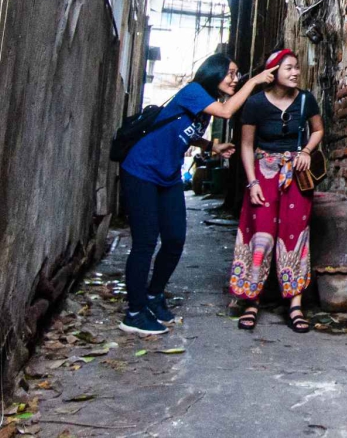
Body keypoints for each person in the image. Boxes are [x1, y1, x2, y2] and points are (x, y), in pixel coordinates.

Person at [118, 53, 277, 336]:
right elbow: (228, 112)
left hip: (167, 176)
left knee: (175, 239)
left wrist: (210, 146)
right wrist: (253, 81)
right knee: (145, 242)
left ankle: (153, 296)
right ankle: (134, 312)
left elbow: (185, 130)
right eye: (230, 73)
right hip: (141, 170)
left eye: (238, 73)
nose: (235, 78)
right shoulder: (194, 92)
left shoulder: (203, 106)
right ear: (213, 73)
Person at [230, 48, 323, 333]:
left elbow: (318, 130)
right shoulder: (255, 104)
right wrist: (252, 181)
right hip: (263, 174)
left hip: (295, 175)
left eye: (296, 67)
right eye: (289, 68)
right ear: (273, 73)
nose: (295, 72)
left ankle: (295, 304)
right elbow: (246, 145)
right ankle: (251, 300)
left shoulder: (306, 100)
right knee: (260, 234)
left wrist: (307, 150)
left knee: (295, 235)